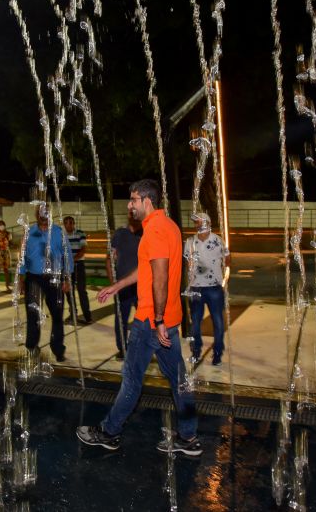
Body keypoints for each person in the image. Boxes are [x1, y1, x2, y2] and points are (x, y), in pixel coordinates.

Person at [77, 179, 201, 457]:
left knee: (132, 380)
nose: (129, 205)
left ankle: (109, 432)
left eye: (133, 199)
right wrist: (118, 285)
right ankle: (189, 437)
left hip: (150, 321)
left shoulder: (155, 230)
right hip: (170, 320)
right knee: (179, 380)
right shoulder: (168, 226)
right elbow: (147, 270)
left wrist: (156, 320)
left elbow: (159, 276)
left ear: (147, 201)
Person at [19, 204, 73, 362]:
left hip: (55, 278)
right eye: (40, 212)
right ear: (36, 214)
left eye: (46, 212)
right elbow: (22, 256)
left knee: (57, 315)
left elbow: (67, 256)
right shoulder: (29, 233)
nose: (43, 215)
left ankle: (58, 349)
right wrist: (21, 278)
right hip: (33, 279)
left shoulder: (59, 232)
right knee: (33, 314)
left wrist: (67, 278)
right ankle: (31, 346)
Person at [185, 212, 231, 366]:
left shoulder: (218, 240)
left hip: (214, 289)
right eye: (195, 222)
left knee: (217, 321)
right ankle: (196, 351)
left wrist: (222, 277)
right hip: (196, 288)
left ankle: (218, 352)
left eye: (199, 221)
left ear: (207, 223)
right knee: (195, 322)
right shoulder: (190, 241)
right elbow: (188, 262)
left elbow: (228, 259)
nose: (196, 224)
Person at [107, 212, 142, 360]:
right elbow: (109, 258)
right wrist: (113, 283)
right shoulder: (120, 234)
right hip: (123, 286)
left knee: (146, 319)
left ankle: (144, 347)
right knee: (121, 319)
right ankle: (122, 348)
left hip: (142, 286)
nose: (133, 216)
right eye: (131, 214)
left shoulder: (147, 233)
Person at [63, 216, 92, 325]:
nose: (69, 225)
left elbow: (83, 249)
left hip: (78, 265)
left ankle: (87, 316)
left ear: (74, 224)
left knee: (81, 291)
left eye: (71, 223)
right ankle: (73, 314)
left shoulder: (80, 233)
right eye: (66, 223)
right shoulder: (62, 236)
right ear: (64, 224)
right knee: (69, 291)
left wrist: (73, 259)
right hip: (67, 267)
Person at [0, 220, 12, 292]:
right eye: (0, 225)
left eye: (2, 224)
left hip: (5, 253)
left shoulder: (8, 233)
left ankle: (7, 286)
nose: (1, 226)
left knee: (6, 270)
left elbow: (10, 243)